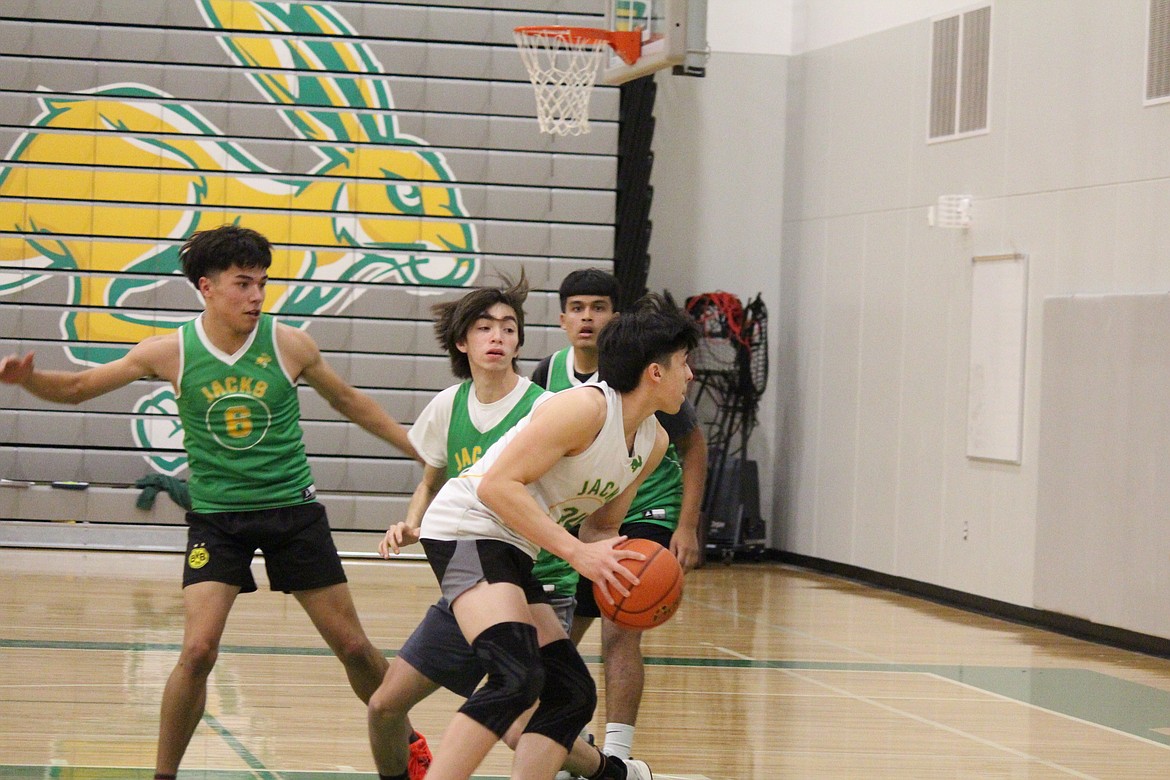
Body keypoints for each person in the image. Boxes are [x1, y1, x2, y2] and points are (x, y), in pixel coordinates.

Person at [0, 224, 429, 780]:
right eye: (243, 284)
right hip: (218, 521)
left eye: (262, 285)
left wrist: (423, 453)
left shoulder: (288, 344)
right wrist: (30, 382)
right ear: (205, 287)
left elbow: (352, 403)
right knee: (198, 652)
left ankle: (407, 738)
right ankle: (164, 775)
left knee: (352, 646)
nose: (256, 296)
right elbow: (80, 388)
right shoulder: (170, 351)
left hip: (292, 513)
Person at [368, 276, 652, 780]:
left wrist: (596, 557)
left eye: (509, 327)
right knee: (386, 706)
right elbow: (437, 480)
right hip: (474, 555)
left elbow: (581, 515)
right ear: (464, 341)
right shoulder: (449, 405)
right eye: (485, 327)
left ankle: (610, 772)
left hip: (535, 568)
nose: (497, 336)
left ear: (520, 341)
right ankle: (611, 774)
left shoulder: (549, 407)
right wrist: (411, 523)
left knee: (530, 702)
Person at [415, 293, 698, 780]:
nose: (690, 375)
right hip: (465, 526)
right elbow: (497, 486)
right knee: (514, 675)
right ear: (655, 372)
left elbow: (602, 526)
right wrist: (577, 553)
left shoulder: (654, 442)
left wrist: (624, 569)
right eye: (684, 363)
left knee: (572, 691)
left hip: (513, 546)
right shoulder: (583, 409)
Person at [532, 270, 707, 764]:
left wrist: (686, 524)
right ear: (563, 317)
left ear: (616, 316)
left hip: (641, 504)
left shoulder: (657, 385)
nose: (589, 317)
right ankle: (572, 740)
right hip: (580, 507)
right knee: (560, 634)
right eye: (578, 307)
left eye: (600, 307)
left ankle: (618, 754)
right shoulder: (555, 381)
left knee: (621, 627)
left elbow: (695, 447)